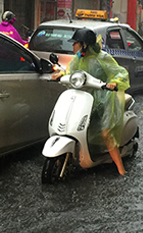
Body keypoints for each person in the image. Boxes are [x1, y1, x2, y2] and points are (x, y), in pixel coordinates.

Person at [50, 28, 130, 175]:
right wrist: (60, 74)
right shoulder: (78, 58)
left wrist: (114, 82)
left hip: (104, 98)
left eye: (75, 43)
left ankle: (121, 169)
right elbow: (71, 72)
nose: (73, 47)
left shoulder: (102, 57)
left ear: (84, 45)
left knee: (106, 133)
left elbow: (121, 72)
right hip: (84, 98)